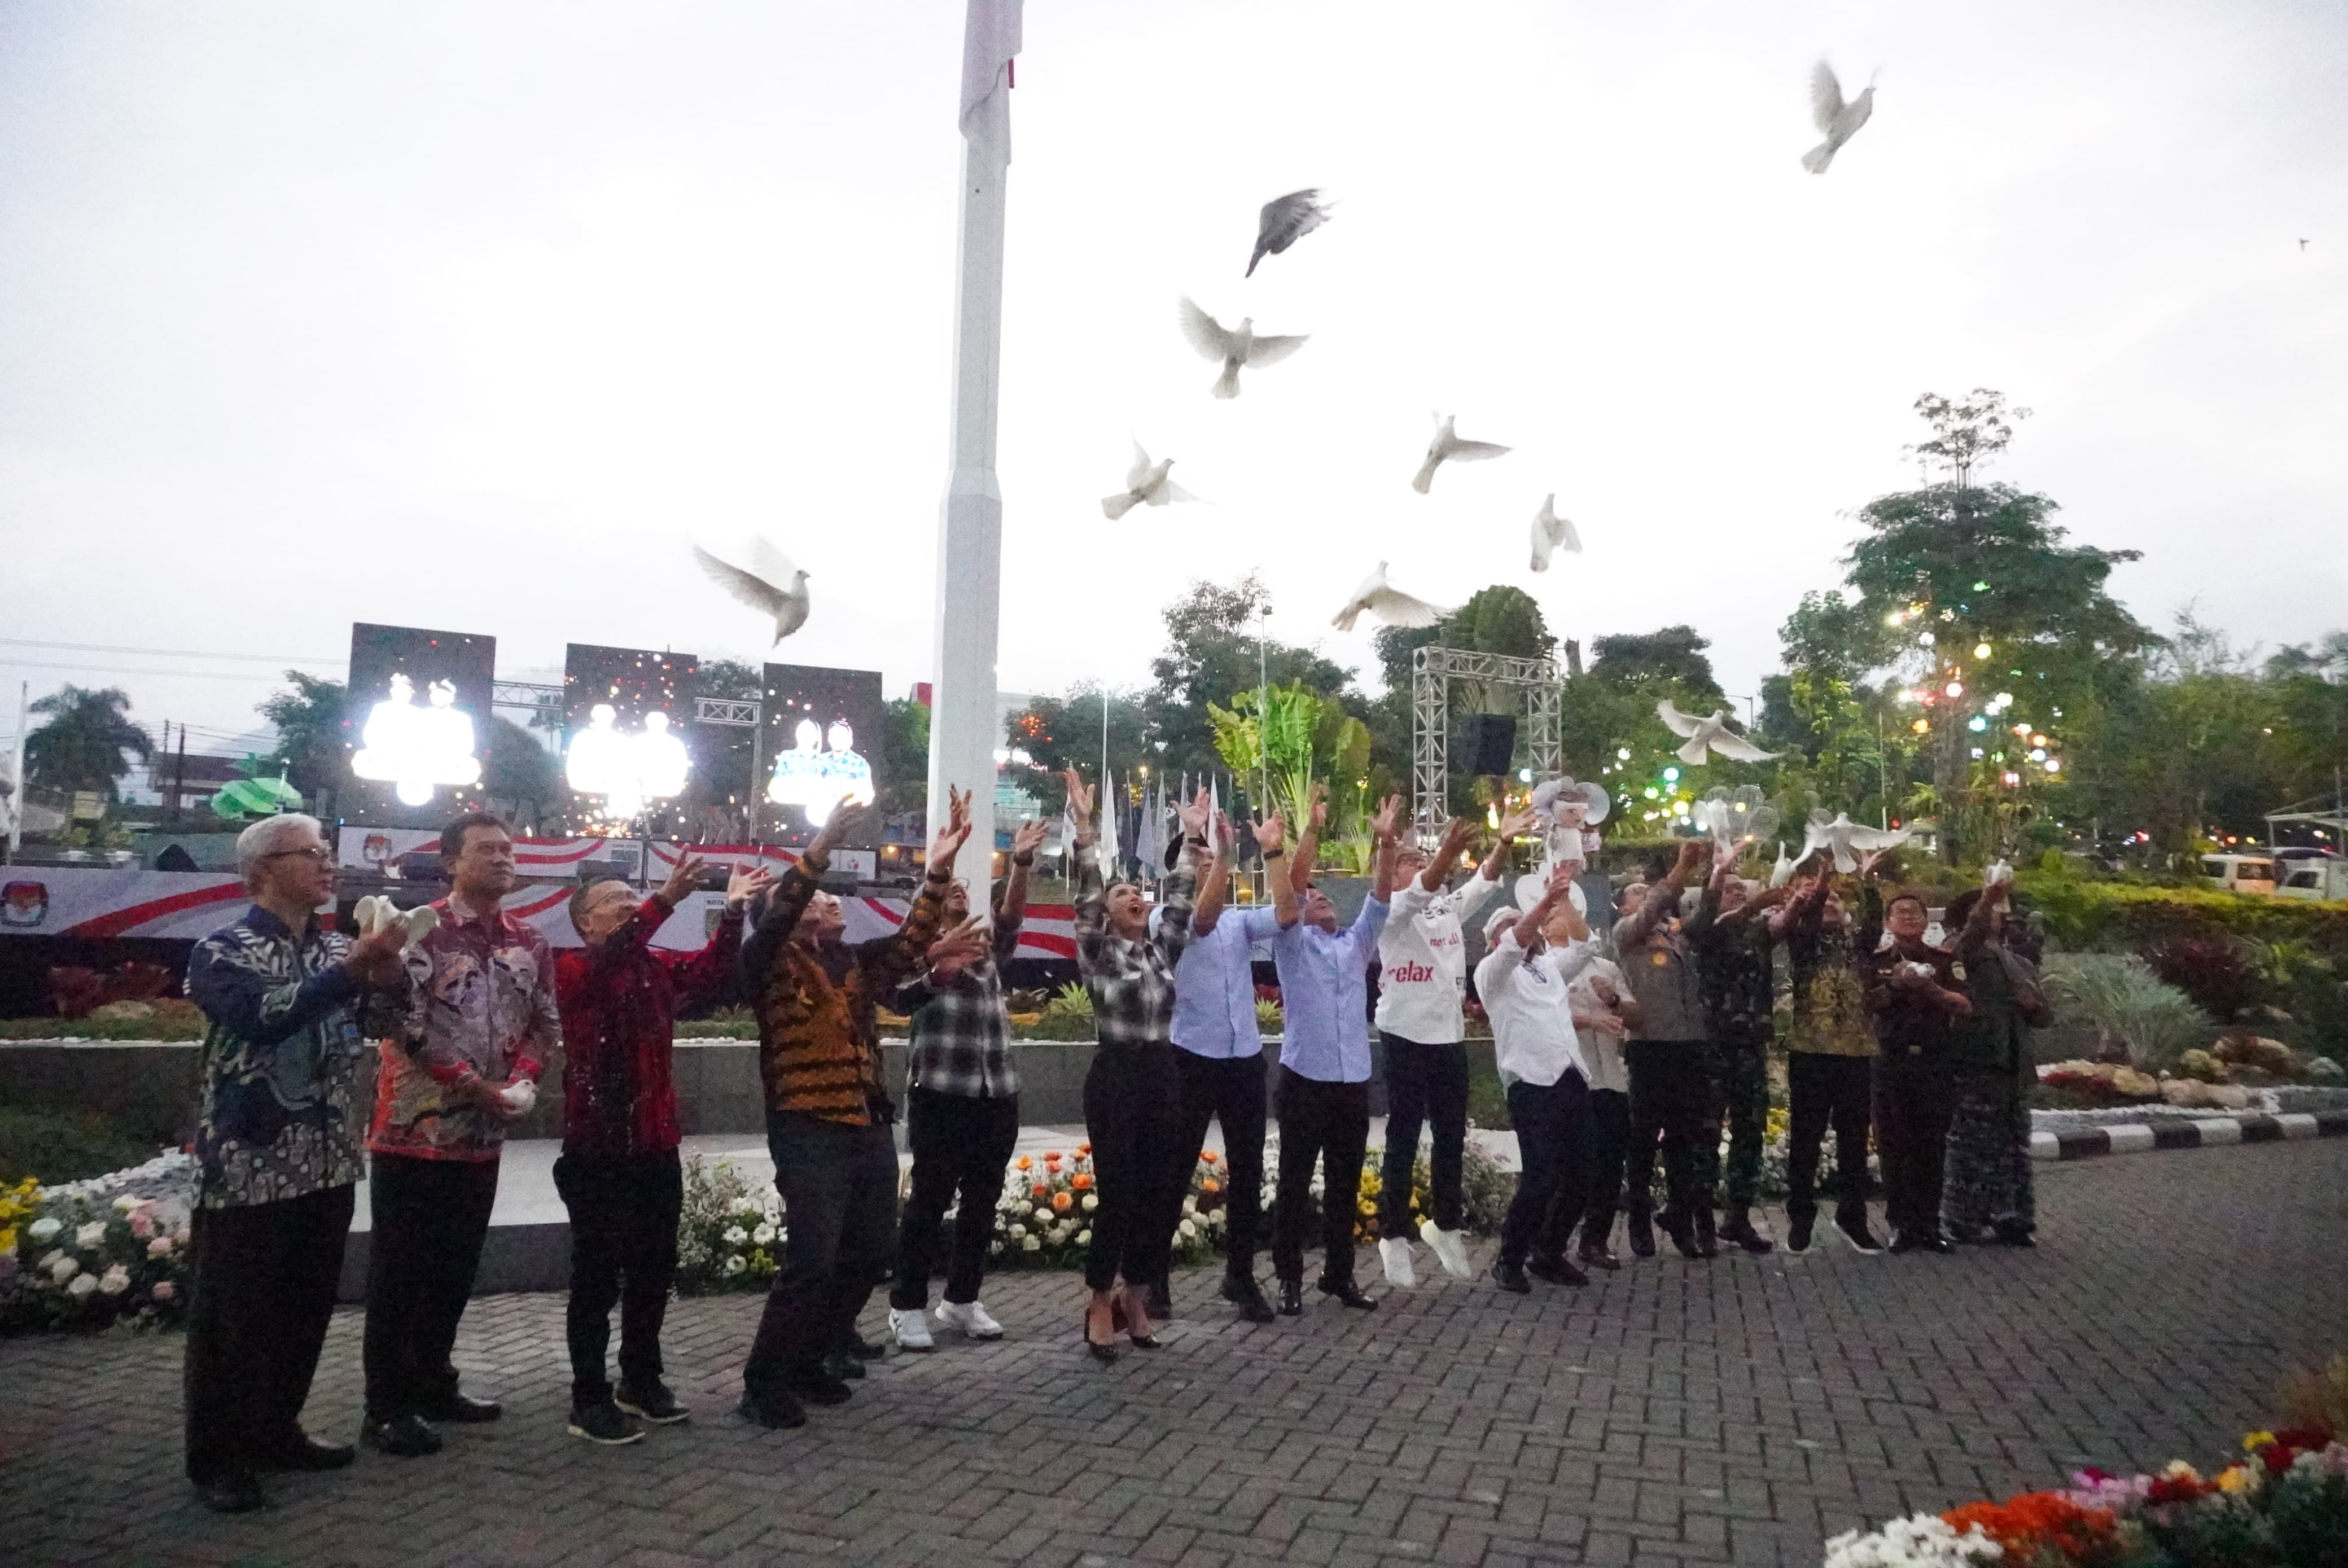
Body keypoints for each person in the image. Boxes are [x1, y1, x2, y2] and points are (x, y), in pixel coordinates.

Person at [181, 814, 412, 1513]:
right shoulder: (221, 951)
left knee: (303, 1310)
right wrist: (353, 970)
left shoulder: (338, 947)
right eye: (310, 854)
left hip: (328, 1160)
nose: (328, 864)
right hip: (248, 1167)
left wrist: (391, 979)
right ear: (261, 872)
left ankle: (278, 1429)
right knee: (233, 1320)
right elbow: (267, 1016)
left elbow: (382, 1026)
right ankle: (218, 1457)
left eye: (327, 852)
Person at [737, 792, 969, 1427]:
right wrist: (820, 845)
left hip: (866, 1120)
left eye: (824, 896)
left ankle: (812, 1354)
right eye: (812, 898)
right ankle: (763, 1380)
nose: (822, 901)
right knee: (811, 1259)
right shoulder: (766, 959)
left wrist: (938, 872)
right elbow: (782, 907)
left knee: (869, 1249)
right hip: (805, 1121)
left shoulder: (851, 962)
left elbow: (910, 945)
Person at [551, 849, 770, 1445]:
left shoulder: (652, 968)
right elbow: (617, 954)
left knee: (653, 1269)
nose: (627, 904)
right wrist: (666, 899)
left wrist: (730, 914)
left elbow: (712, 974)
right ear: (585, 924)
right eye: (612, 901)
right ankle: (587, 1396)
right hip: (598, 1147)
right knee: (596, 1277)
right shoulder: (573, 969)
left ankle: (640, 1380)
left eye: (632, 896)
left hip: (654, 1143)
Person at [362, 812, 557, 1458]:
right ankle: (386, 1406)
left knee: (454, 1268)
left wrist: (523, 1080)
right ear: (450, 862)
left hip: (483, 1135)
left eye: (508, 849)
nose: (503, 858)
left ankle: (433, 1383)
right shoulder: (418, 933)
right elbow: (400, 1023)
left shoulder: (530, 939)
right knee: (401, 1272)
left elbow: (544, 1024)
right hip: (415, 1132)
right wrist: (476, 1087)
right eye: (487, 850)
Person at [1065, 772, 1221, 1360]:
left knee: (1159, 1192)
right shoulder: (1098, 954)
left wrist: (1190, 835)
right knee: (1120, 1192)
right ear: (1106, 917)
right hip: (1115, 1078)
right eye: (1121, 894)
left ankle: (1137, 1296)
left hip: (1162, 1074)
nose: (1133, 895)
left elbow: (1180, 899)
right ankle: (1098, 1300)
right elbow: (1085, 895)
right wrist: (1084, 827)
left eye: (1136, 891)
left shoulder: (1159, 951)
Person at [886, 816, 1050, 1351]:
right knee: (929, 1201)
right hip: (939, 1092)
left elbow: (1013, 919)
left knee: (983, 1200)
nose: (959, 890)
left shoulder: (984, 948)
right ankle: (906, 1306)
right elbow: (897, 998)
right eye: (949, 887)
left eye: (964, 887)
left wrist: (1021, 862)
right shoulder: (913, 953)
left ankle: (961, 1301)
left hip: (995, 1093)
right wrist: (937, 969)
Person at [1370, 808, 1532, 1289]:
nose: (1417, 864)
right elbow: (1425, 884)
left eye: (1420, 856)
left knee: (1450, 1136)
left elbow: (1482, 882)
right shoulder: (1390, 910)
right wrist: (1445, 853)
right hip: (1403, 1031)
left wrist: (1502, 844)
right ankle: (1392, 1236)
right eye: (1407, 859)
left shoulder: (1444, 908)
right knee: (1402, 1137)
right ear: (1391, 870)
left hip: (1448, 1036)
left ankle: (1444, 1226)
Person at [1266, 788, 1400, 1316]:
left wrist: (1386, 843)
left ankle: (1338, 1276)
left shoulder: (1355, 943)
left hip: (1351, 1082)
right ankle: (1289, 1280)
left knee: (1346, 1186)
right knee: (1295, 1186)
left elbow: (1382, 897)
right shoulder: (1291, 944)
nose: (1319, 899)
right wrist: (1312, 830)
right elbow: (1293, 887)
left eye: (1324, 897)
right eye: (1312, 899)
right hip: (1304, 1080)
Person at [1157, 805, 1284, 1324]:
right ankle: (1153, 1274)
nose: (1211, 866)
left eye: (1212, 858)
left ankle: (1240, 1274)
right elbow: (1201, 919)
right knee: (1175, 1170)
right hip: (1190, 1056)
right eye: (1199, 859)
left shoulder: (1239, 921)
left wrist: (1277, 850)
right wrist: (1225, 855)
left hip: (1243, 1059)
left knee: (1249, 1171)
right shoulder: (1164, 919)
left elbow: (1288, 913)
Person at [1474, 866, 1601, 1292]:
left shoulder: (1547, 968)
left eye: (1524, 923)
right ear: (1494, 940)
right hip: (1529, 1082)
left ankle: (1548, 1253)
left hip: (1569, 1076)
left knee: (1584, 1173)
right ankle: (1509, 1259)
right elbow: (1513, 944)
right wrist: (1543, 903)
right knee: (1541, 1177)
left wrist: (1563, 898)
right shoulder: (1492, 972)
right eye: (1510, 927)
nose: (1524, 931)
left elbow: (1586, 945)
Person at [1772, 855, 1887, 1255]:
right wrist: (1822, 882)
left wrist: (1865, 876)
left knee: (1855, 1141)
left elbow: (1875, 920)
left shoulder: (1860, 945)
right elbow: (1807, 917)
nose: (1833, 905)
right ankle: (1800, 1220)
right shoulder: (1804, 943)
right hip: (1811, 1050)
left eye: (1840, 900)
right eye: (1828, 901)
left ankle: (1852, 1217)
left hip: (1856, 1051)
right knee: (1806, 1138)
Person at [1685, 850, 1791, 1255]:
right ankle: (1702, 1223)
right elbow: (1706, 926)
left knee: (1750, 1131)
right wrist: (1723, 879)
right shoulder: (1705, 931)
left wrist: (1800, 897)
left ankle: (1738, 1218)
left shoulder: (1756, 932)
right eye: (1729, 890)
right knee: (1707, 1134)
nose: (1736, 895)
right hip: (1713, 1047)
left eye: (1740, 891)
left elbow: (1786, 923)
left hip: (1750, 1045)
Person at [1611, 840, 1712, 1260]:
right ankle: (1638, 1218)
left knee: (1684, 1139)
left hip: (1689, 1045)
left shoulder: (1678, 936)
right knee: (1643, 1139)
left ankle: (1682, 1220)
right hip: (1650, 1046)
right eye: (1635, 893)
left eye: (1645, 890)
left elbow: (1706, 920)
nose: (1645, 895)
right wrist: (1682, 865)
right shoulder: (1626, 934)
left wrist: (1714, 874)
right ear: (1621, 907)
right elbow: (1654, 905)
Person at [1864, 886, 1973, 1254]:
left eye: (1915, 912)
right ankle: (1900, 1225)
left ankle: (1929, 1225)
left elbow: (1964, 1004)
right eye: (1901, 913)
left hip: (1934, 1061)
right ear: (1888, 923)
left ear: (1927, 921)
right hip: (1890, 1063)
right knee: (1894, 1145)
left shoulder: (1944, 959)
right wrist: (1895, 984)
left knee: (1931, 1144)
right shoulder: (1876, 960)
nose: (1909, 917)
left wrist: (1932, 990)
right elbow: (1866, 1003)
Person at [1939, 878, 2045, 1247]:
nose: (2003, 914)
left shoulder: (2016, 961)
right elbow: (1971, 935)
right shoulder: (1959, 950)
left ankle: (2012, 1217)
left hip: (2014, 1067)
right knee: (1972, 1146)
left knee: (2014, 1148)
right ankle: (1963, 1219)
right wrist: (1987, 900)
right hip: (1978, 1063)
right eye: (1994, 909)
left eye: (2002, 908)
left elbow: (2044, 1013)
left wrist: (2034, 1007)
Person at [1560, 914, 1640, 1273]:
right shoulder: (1546, 967)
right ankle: (1553, 1240)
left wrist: (1611, 1000)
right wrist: (1589, 1021)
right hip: (1575, 1078)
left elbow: (1636, 1017)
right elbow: (1543, 1016)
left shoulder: (1606, 966)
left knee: (1611, 1162)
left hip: (1612, 1076)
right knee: (1575, 1164)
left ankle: (1596, 1240)